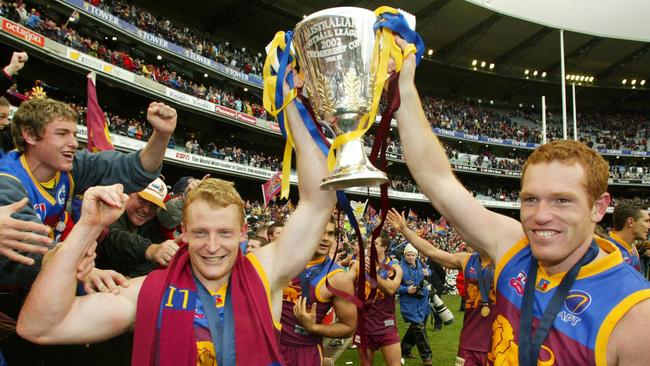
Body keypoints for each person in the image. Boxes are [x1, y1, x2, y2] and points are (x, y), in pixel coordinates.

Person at [16, 77, 337, 365]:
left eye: (225, 233)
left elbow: (318, 201)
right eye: (200, 232)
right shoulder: (148, 291)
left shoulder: (267, 272)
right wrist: (87, 227)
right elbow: (41, 327)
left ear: (242, 232)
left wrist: (294, 107)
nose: (212, 246)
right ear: (182, 233)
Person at [391, 36, 650, 365]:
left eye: (562, 201)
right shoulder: (512, 247)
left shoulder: (635, 313)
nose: (540, 216)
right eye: (530, 199)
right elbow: (438, 181)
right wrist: (405, 86)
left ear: (598, 207)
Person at [0, 97, 176, 287]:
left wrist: (161, 135)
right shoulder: (7, 182)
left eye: (74, 134)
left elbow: (134, 170)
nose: (74, 143)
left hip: (54, 269)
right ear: (30, 135)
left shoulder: (69, 169)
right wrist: (82, 271)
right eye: (62, 134)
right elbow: (28, 248)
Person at [387, 208, 495, 366]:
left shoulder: (507, 263)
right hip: (469, 339)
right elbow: (431, 251)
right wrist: (404, 230)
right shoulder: (466, 260)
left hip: (497, 337)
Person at [280, 216, 356, 365]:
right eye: (320, 232)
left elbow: (349, 327)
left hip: (304, 353)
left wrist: (313, 327)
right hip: (270, 346)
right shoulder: (282, 262)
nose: (325, 238)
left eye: (330, 234)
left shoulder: (338, 279)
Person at [95, 178, 180, 278]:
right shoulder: (109, 210)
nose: (147, 209)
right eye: (143, 200)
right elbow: (111, 239)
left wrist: (129, 279)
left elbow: (152, 263)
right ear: (128, 194)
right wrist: (150, 249)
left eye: (153, 205)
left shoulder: (153, 226)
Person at [350, 232, 403, 366]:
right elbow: (344, 281)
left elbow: (391, 289)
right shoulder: (358, 265)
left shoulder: (394, 267)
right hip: (364, 325)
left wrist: (373, 275)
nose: (369, 246)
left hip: (386, 325)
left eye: (374, 244)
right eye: (368, 243)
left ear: (384, 247)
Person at [397, 244, 432, 365]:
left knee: (415, 327)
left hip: (423, 302)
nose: (411, 257)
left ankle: (405, 349)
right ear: (404, 255)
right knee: (419, 328)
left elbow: (429, 272)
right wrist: (406, 290)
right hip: (409, 303)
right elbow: (393, 286)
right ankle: (427, 357)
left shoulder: (421, 263)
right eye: (408, 255)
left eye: (413, 255)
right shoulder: (399, 268)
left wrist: (428, 273)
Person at [607, 203, 649, 271]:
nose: (649, 226)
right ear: (630, 222)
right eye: (646, 221)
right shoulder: (608, 251)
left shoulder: (632, 248)